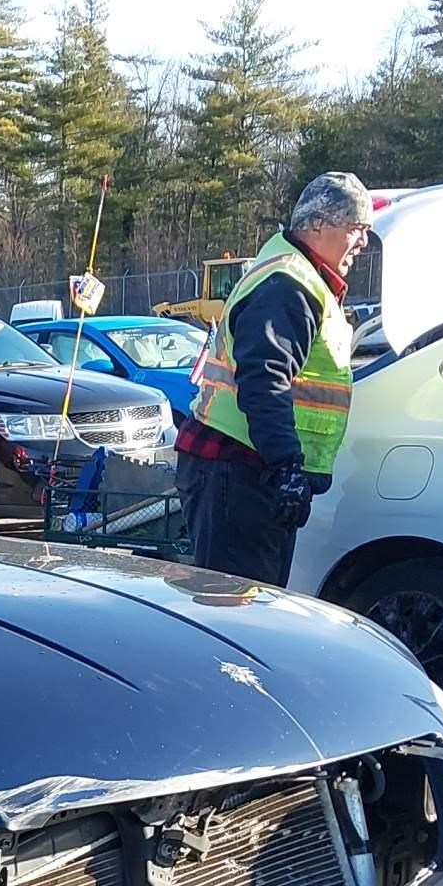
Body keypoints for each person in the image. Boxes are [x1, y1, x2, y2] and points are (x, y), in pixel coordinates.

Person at [174, 171, 375, 584]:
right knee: (236, 613)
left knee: (248, 607)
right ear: (318, 224)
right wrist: (287, 468)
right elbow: (265, 379)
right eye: (357, 229)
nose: (364, 243)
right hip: (238, 470)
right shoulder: (289, 284)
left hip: (241, 466)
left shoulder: (296, 276)